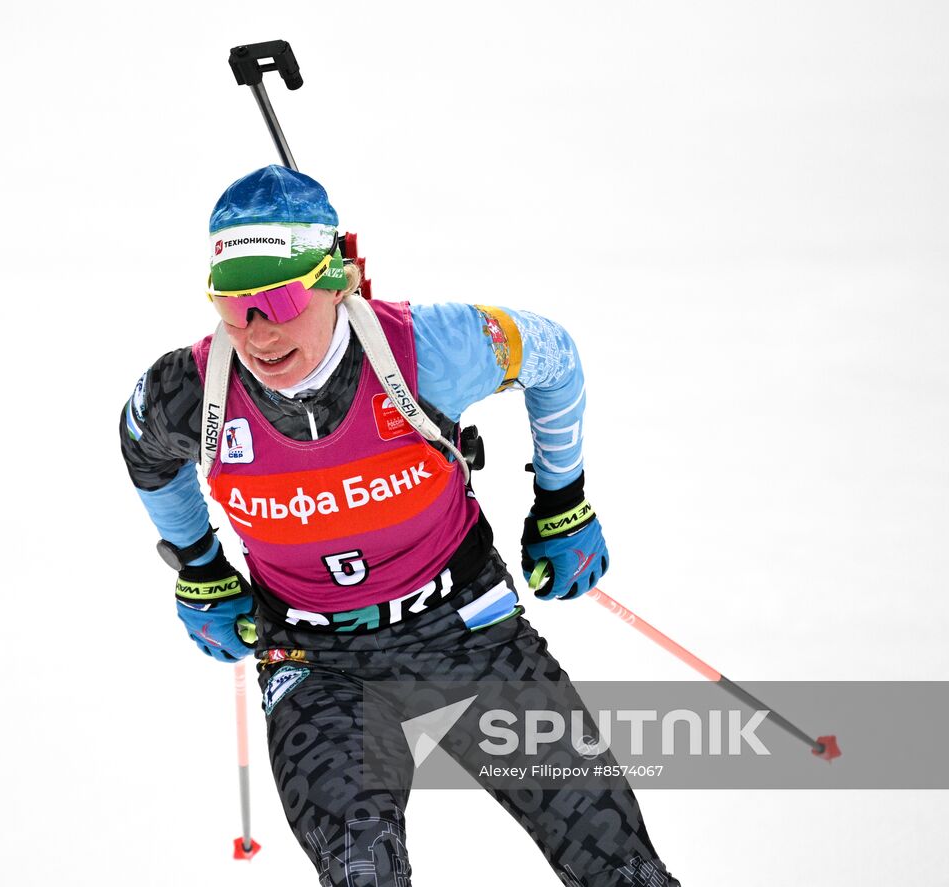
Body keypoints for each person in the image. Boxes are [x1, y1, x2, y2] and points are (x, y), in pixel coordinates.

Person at [118, 165, 679, 887]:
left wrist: (562, 499)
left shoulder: (429, 349)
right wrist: (200, 567)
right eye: (232, 304)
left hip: (468, 631)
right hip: (315, 663)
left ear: (337, 279)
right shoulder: (190, 389)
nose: (256, 331)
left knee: (621, 870)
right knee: (364, 874)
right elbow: (144, 449)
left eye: (279, 298)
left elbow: (552, 355)